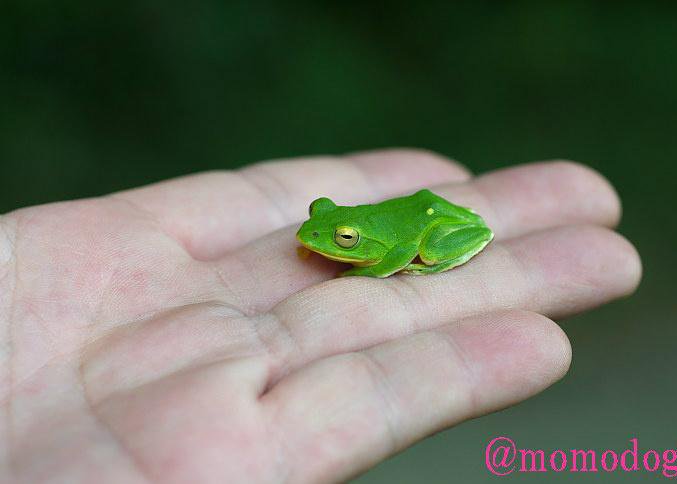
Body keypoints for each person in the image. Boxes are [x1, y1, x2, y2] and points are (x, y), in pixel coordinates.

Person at [0, 149, 641, 483]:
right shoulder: (332, 225)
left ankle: (440, 256)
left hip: (436, 228)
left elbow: (389, 254)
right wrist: (339, 234)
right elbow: (338, 223)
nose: (321, 240)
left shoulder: (378, 244)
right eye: (327, 230)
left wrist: (374, 262)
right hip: (409, 209)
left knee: (420, 245)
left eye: (339, 241)